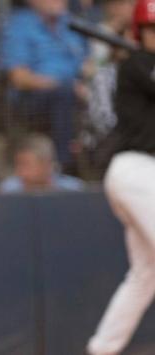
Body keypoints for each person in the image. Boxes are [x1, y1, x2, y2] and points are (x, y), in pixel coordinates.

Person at [87, 1, 155, 354]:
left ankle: (102, 348)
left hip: (144, 177)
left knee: (146, 274)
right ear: (138, 32)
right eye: (150, 30)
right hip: (136, 171)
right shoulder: (136, 65)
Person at [1, 0, 89, 168]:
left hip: (75, 92)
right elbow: (19, 77)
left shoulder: (71, 23)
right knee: (63, 94)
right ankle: (65, 164)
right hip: (32, 98)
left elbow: (87, 63)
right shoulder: (20, 25)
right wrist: (62, 85)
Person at [0, 133, 85, 193]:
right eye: (17, 164)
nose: (19, 171)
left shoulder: (75, 190)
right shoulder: (8, 190)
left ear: (46, 165)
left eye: (25, 164)